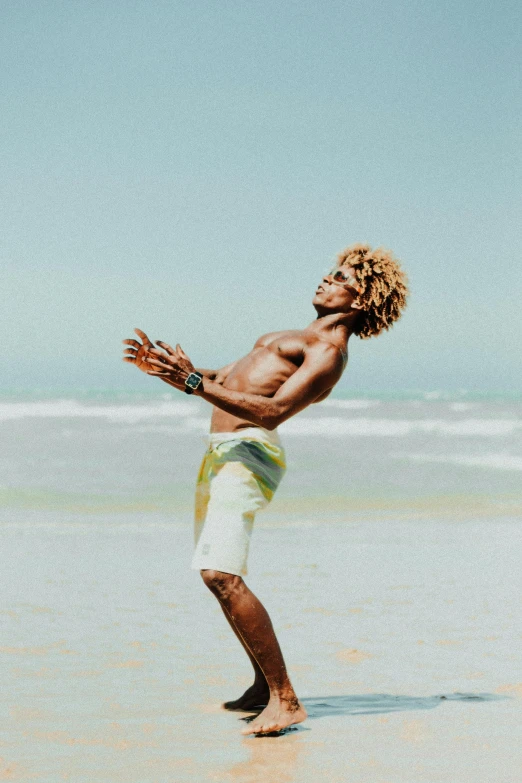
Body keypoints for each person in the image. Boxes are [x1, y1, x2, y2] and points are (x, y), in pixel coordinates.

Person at [122, 243, 409, 735]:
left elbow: (273, 411)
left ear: (359, 300)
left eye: (338, 277)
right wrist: (176, 373)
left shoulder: (329, 352)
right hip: (222, 453)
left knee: (220, 574)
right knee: (217, 575)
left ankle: (287, 699)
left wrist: (194, 382)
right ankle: (262, 687)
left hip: (248, 455)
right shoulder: (292, 336)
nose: (325, 280)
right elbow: (231, 381)